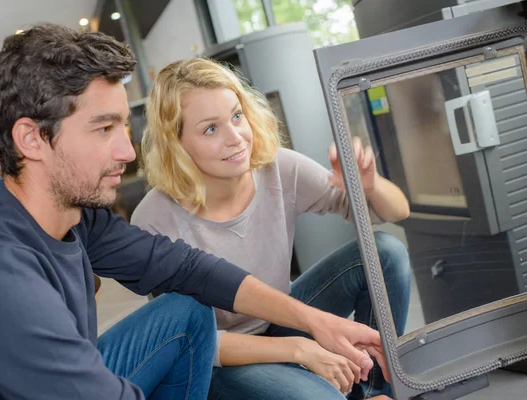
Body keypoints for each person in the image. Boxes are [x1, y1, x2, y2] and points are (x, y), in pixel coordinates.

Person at [0, 25, 391, 400]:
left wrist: (315, 322)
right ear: (32, 139)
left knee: (186, 307)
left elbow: (187, 268)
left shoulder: (72, 216)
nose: (128, 151)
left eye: (123, 126)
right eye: (103, 128)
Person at [131, 57, 412, 400]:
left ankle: (371, 391)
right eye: (210, 128)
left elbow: (396, 211)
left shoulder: (277, 168)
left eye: (237, 116)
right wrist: (297, 349)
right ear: (177, 144)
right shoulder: (154, 219)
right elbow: (187, 339)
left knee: (387, 252)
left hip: (282, 319)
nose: (235, 138)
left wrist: (368, 184)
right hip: (219, 360)